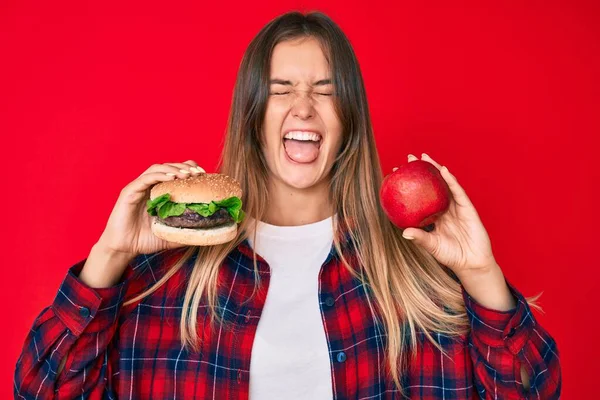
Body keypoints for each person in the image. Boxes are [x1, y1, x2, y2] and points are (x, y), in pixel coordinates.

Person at [14, 11, 560, 399]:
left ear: (348, 121)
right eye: (281, 89)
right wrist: (108, 258)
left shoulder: (411, 274)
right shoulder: (166, 278)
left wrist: (479, 272)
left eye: (325, 90)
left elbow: (532, 390)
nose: (303, 107)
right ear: (253, 116)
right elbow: (42, 388)